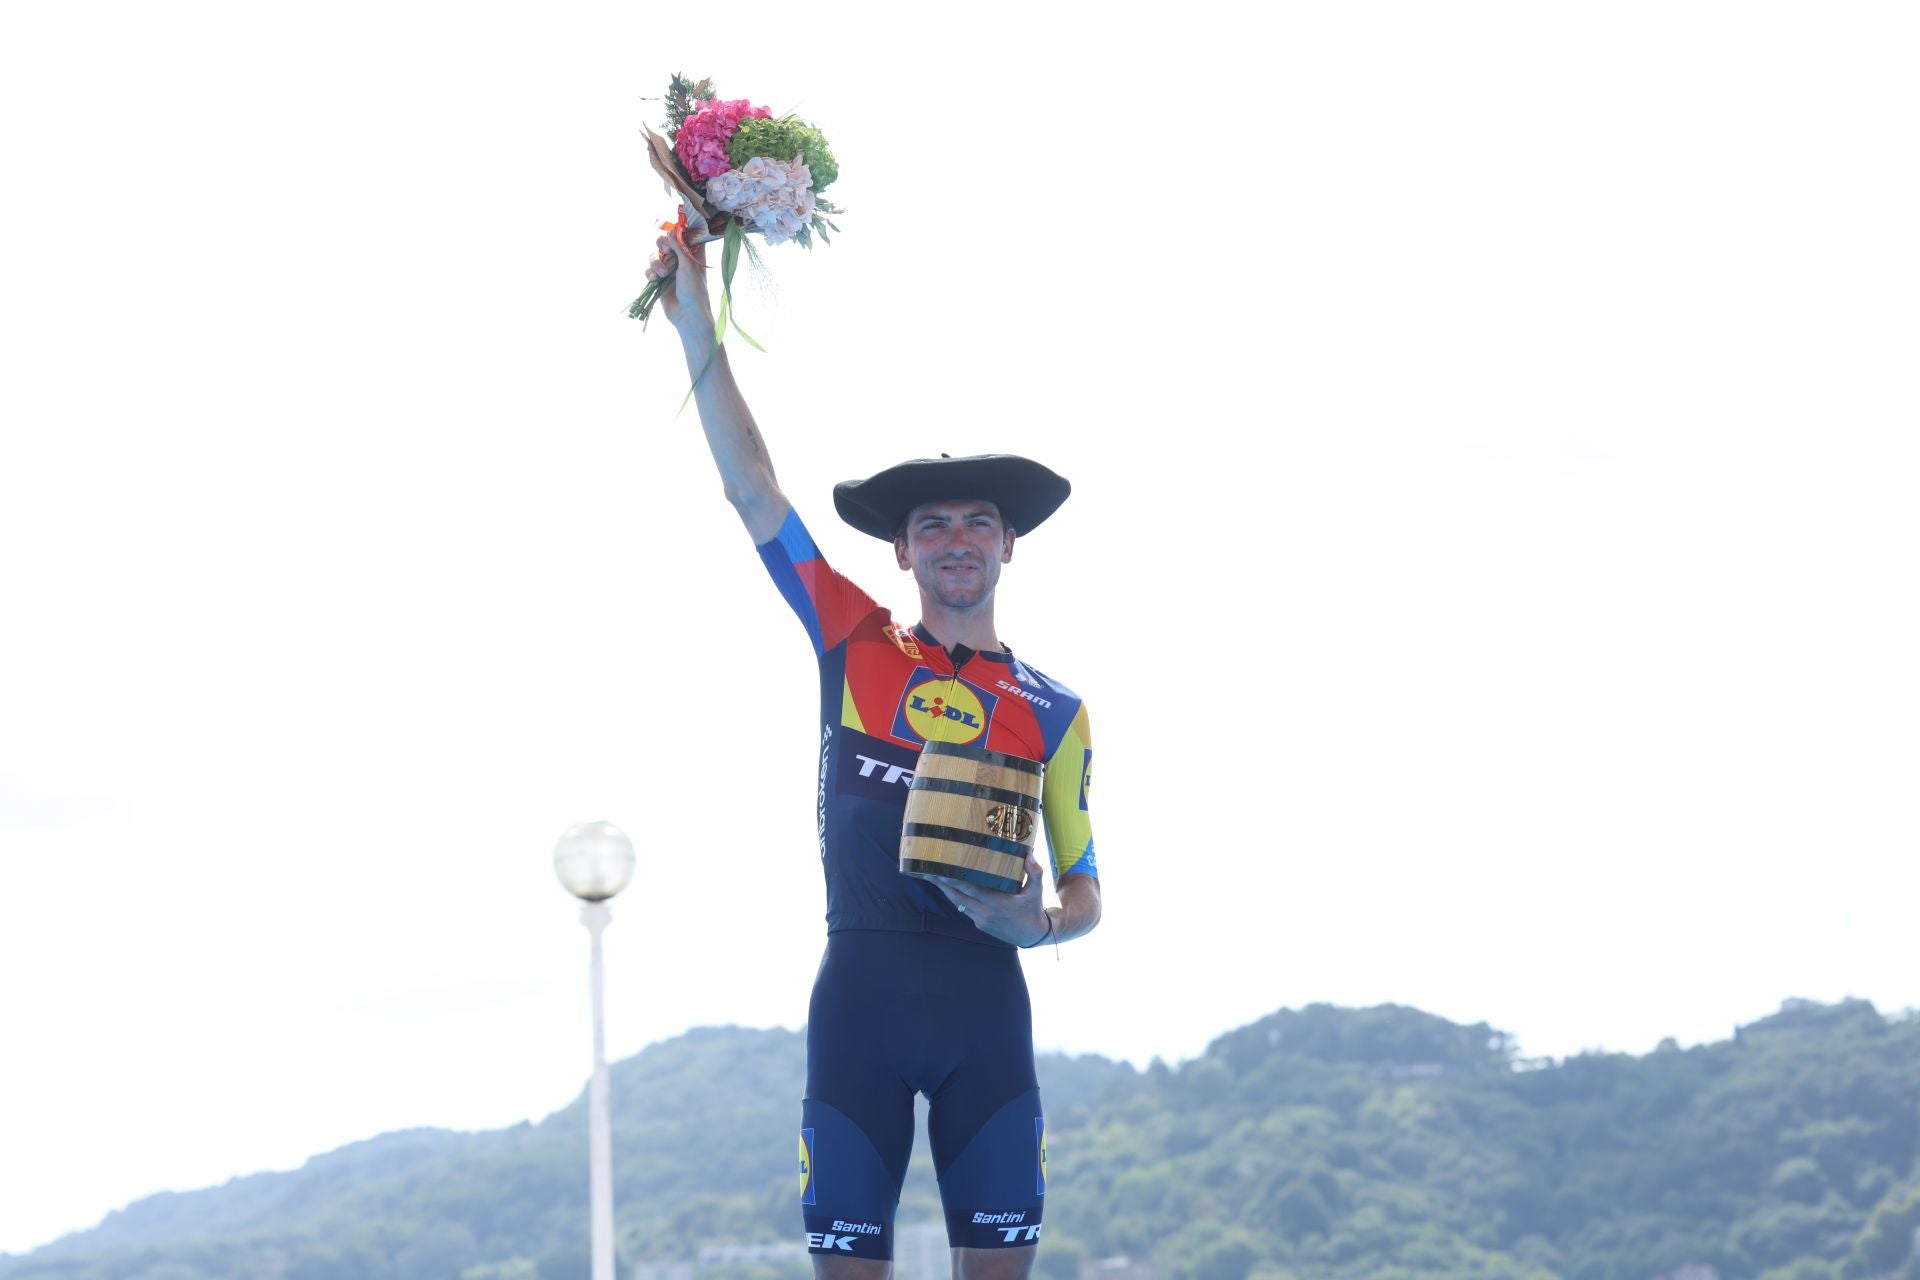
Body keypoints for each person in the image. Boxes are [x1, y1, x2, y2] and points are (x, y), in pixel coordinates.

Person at [643, 225, 1101, 1280]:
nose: (956, 539)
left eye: (977, 522)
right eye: (932, 525)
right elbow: (754, 493)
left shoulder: (1058, 711)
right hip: (859, 998)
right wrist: (697, 322)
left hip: (989, 1009)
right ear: (901, 550)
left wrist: (1036, 924)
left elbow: (1085, 886)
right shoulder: (854, 642)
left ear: (1008, 544)